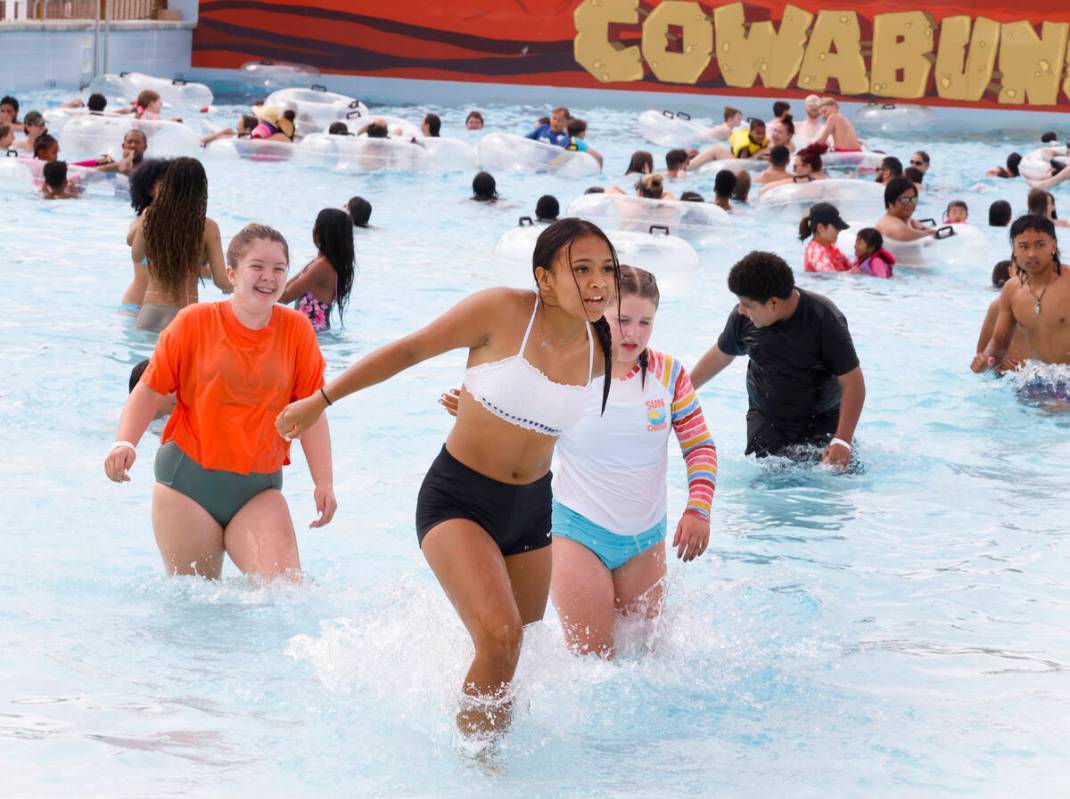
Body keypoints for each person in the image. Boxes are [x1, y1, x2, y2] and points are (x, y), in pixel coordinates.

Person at [274, 218, 617, 739]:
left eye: (607, 269)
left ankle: (493, 762)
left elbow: (555, 419)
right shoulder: (502, 310)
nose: (598, 281)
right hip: (459, 499)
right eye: (582, 268)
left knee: (517, 654)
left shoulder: (601, 348)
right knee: (500, 640)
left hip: (531, 510)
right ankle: (474, 769)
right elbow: (409, 351)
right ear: (544, 279)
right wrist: (319, 400)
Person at [104, 223, 336, 580]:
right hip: (186, 486)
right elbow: (149, 389)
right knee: (194, 608)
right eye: (257, 266)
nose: (268, 277)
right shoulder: (193, 321)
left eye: (278, 269)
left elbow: (312, 412)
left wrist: (324, 482)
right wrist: (125, 442)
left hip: (258, 489)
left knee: (285, 593)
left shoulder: (297, 331)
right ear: (231, 273)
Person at [518, 266, 718, 657]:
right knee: (594, 663)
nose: (634, 333)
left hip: (645, 540)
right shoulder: (568, 370)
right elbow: (517, 426)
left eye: (646, 322)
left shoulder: (670, 373)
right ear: (598, 314)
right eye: (622, 320)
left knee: (646, 660)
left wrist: (698, 509)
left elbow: (700, 447)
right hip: (577, 533)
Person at [690, 251, 864, 466]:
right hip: (768, 419)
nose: (742, 310)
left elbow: (853, 382)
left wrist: (843, 440)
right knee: (766, 485)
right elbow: (721, 355)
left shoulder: (824, 319)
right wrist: (682, 392)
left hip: (823, 418)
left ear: (773, 302)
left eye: (747, 304)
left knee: (837, 477)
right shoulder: (742, 319)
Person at [132, 157, 230, 332]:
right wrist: (237, 286)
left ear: (168, 183)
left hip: (149, 311)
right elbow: (221, 281)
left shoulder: (149, 216)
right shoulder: (208, 227)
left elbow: (137, 255)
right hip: (185, 316)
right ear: (201, 190)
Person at [972, 215, 1070, 373]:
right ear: (1015, 251)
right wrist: (986, 359)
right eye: (1024, 246)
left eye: (1039, 245)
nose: (1031, 253)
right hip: (1038, 382)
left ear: (1053, 246)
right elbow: (999, 342)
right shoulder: (1011, 290)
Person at [279, 208, 355, 332]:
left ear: (320, 232)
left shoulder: (323, 266)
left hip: (311, 333)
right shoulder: (323, 262)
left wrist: (253, 287)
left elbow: (286, 296)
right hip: (317, 332)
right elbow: (286, 288)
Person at [122, 158, 171, 307]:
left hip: (163, 307)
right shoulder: (140, 221)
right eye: (165, 183)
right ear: (150, 190)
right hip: (135, 305)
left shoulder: (178, 226)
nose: (172, 187)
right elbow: (130, 240)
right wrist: (151, 213)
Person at [975, 260, 1031, 371]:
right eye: (1021, 271)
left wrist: (1029, 369)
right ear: (1011, 271)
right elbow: (982, 359)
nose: (1027, 277)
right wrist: (999, 366)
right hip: (1007, 380)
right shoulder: (997, 307)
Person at [875, 177, 934, 242]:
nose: (910, 204)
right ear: (890, 203)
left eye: (913, 199)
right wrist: (929, 232)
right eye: (904, 200)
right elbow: (932, 235)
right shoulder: (894, 227)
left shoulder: (902, 219)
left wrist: (920, 227)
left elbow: (910, 221)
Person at [799, 202, 850, 272]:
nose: (839, 230)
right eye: (836, 227)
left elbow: (852, 268)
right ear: (820, 228)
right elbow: (832, 279)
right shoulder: (815, 253)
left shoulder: (831, 247)